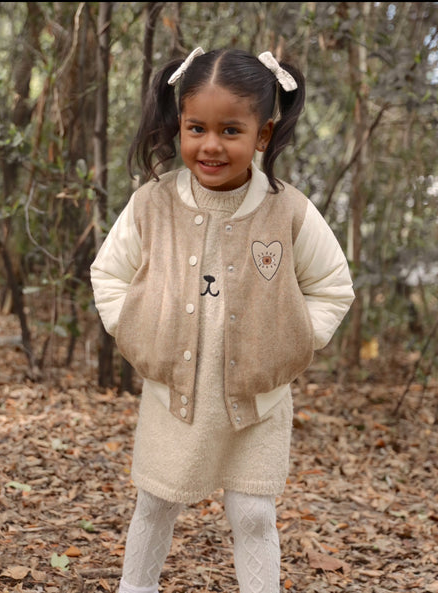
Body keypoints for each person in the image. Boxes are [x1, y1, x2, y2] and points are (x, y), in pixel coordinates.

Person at [90, 46, 355, 593]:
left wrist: (294, 343)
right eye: (196, 128)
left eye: (230, 130)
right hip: (173, 398)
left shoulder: (289, 211)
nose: (210, 145)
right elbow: (109, 274)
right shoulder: (152, 204)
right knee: (155, 504)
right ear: (180, 126)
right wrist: (138, 335)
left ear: (262, 134)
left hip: (256, 403)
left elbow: (333, 287)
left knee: (254, 514)